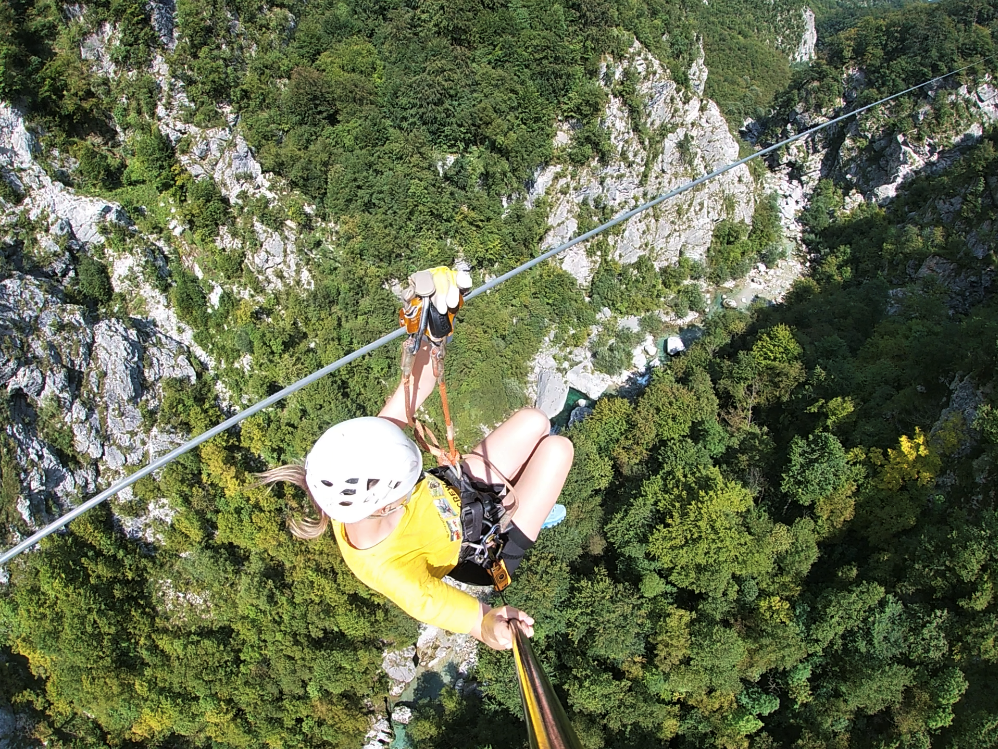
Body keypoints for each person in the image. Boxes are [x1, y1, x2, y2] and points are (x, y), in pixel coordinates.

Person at [258, 268, 574, 651]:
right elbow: (480, 624)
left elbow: (415, 388)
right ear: (386, 504)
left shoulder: (360, 457)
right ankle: (535, 503)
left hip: (455, 488)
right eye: (409, 488)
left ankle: (528, 486)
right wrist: (495, 626)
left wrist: (435, 329)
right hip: (481, 549)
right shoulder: (398, 578)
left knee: (536, 420)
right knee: (558, 450)